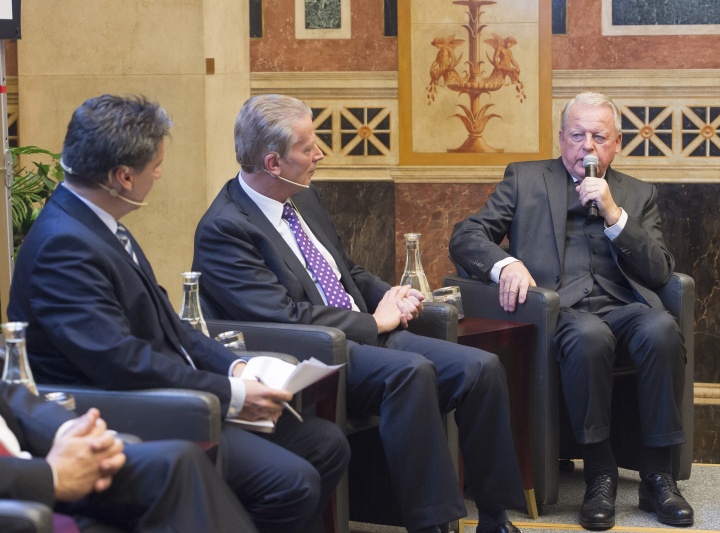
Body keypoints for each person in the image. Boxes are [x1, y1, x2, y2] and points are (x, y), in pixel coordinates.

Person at [7, 94, 350, 533]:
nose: (160, 174)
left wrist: (239, 366)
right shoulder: (64, 246)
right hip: (134, 410)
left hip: (176, 391)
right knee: (292, 482)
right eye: (155, 166)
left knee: (325, 444)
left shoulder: (96, 221)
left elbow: (171, 328)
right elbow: (122, 363)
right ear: (123, 177)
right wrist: (233, 394)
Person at [192, 94, 525, 533]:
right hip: (312, 352)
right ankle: (434, 525)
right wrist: (374, 322)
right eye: (309, 147)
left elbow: (344, 270)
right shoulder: (225, 228)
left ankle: (496, 517)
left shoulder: (302, 197)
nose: (320, 154)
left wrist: (391, 294)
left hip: (364, 334)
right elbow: (283, 317)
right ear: (273, 163)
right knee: (411, 372)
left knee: (481, 368)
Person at [449, 91, 693, 529]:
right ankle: (600, 473)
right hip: (557, 310)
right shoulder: (525, 180)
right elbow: (466, 235)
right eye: (577, 135)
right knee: (588, 336)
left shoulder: (637, 194)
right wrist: (505, 263)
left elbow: (659, 272)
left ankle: (659, 475)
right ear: (561, 139)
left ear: (617, 143)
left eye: (598, 136)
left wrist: (615, 214)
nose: (587, 146)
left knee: (661, 328)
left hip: (623, 304)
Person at [0, 381, 257, 532]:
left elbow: (9, 396)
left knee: (177, 461)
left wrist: (73, 432)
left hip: (30, 462)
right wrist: (51, 476)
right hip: (17, 502)